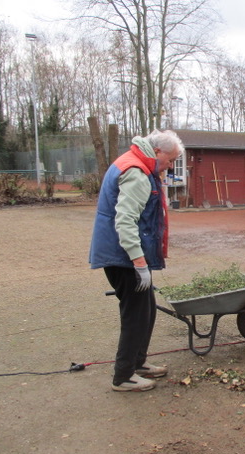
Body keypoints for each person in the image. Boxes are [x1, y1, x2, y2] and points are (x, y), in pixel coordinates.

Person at [89, 129, 185, 391]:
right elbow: (125, 222)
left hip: (126, 255)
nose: (170, 166)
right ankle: (123, 376)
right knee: (135, 315)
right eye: (170, 160)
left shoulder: (136, 162)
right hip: (123, 257)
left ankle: (137, 363)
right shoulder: (136, 173)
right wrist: (140, 264)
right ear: (157, 153)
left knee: (146, 310)